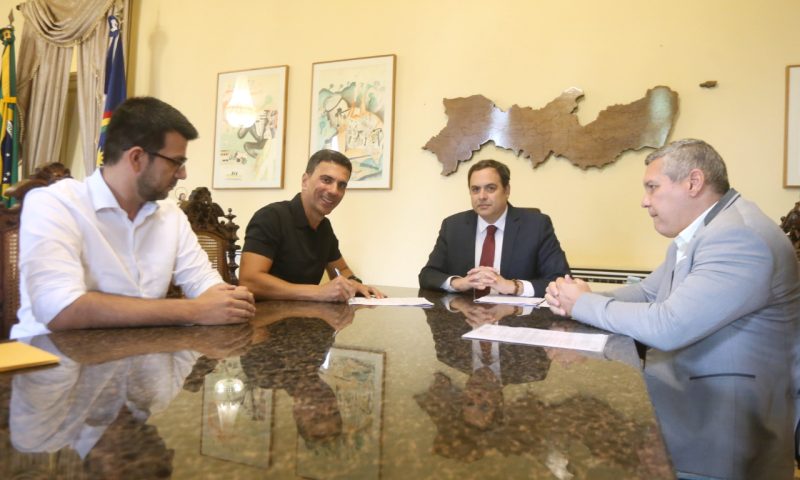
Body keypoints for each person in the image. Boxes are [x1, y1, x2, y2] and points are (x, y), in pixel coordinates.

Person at [545, 138, 800, 480]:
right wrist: (577, 298)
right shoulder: (704, 231)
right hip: (691, 403)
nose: (644, 201)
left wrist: (583, 304)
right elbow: (647, 293)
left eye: (652, 187)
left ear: (693, 182)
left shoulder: (739, 238)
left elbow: (668, 326)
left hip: (723, 430)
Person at [12, 97, 255, 339]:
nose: (183, 174)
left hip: (143, 352)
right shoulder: (54, 204)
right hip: (52, 358)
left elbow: (205, 284)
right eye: (177, 162)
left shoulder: (170, 214)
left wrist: (229, 300)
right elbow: (61, 310)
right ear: (136, 158)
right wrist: (194, 310)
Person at [239, 149, 383, 302]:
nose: (334, 191)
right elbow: (249, 281)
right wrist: (318, 292)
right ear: (305, 181)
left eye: (341, 185)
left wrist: (354, 283)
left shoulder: (324, 227)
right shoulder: (270, 217)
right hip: (266, 315)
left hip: (305, 315)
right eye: (326, 180)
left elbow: (342, 269)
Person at [419, 159, 570, 296]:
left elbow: (560, 280)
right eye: (475, 189)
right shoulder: (453, 226)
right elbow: (428, 275)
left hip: (516, 315)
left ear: (507, 190)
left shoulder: (536, 226)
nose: (482, 196)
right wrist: (458, 283)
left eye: (490, 188)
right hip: (465, 314)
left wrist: (513, 286)